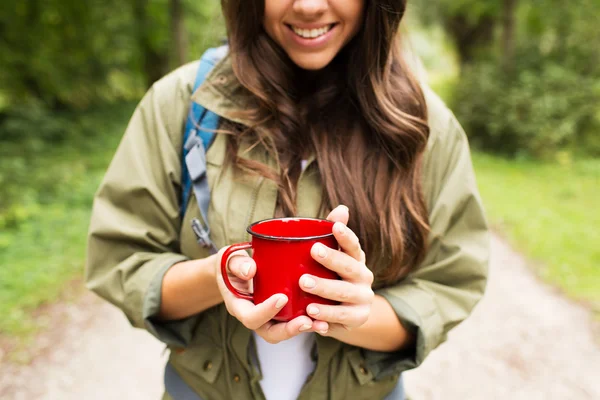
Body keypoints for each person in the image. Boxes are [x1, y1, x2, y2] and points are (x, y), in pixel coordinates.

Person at [85, 0, 490, 399]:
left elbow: (447, 283)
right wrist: (220, 274)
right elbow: (123, 261)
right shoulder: (181, 104)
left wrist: (355, 316)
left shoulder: (422, 126)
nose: (310, 6)